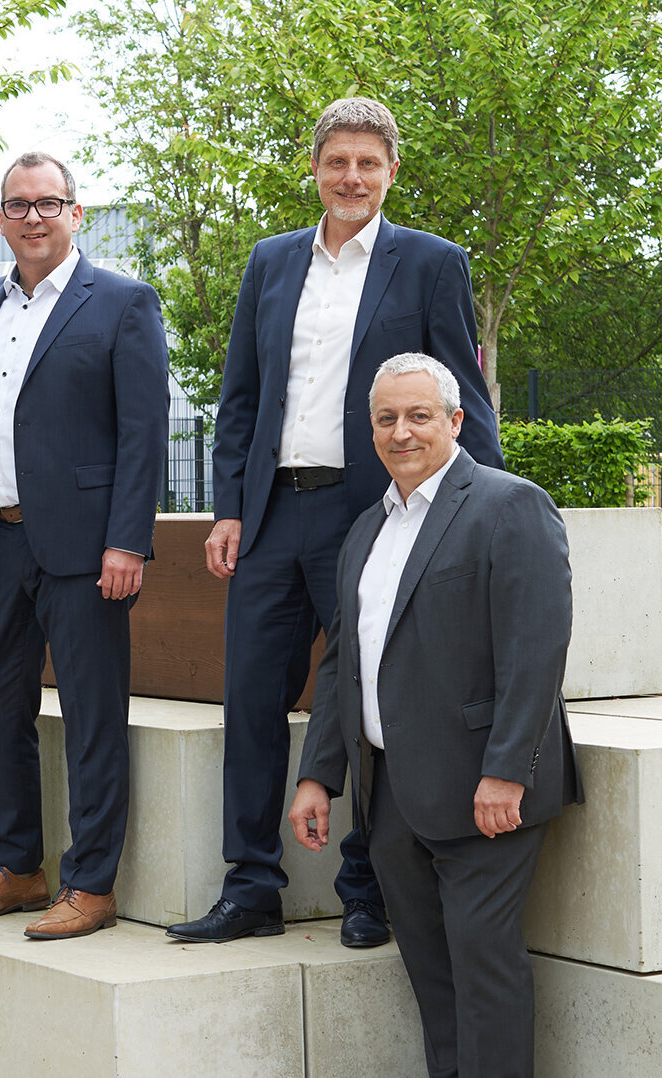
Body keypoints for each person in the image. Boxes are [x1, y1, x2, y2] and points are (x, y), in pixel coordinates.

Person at [174, 97, 504, 946]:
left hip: (374, 517)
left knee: (366, 699)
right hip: (271, 516)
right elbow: (240, 398)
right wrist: (229, 508)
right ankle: (250, 887)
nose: (350, 177)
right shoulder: (270, 261)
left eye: (367, 163)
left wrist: (485, 511)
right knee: (250, 701)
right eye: (336, 162)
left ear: (391, 170)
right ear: (314, 168)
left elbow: (461, 399)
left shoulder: (430, 263)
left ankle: (367, 888)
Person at [288, 354, 579, 1078]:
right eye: (386, 419)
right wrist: (318, 775)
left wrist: (507, 771)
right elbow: (341, 662)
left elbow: (536, 649)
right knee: (431, 975)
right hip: (389, 798)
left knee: (484, 973)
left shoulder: (510, 505)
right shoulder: (366, 529)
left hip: (483, 792)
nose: (402, 432)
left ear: (455, 421)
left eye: (418, 416)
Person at [0, 152, 169, 940]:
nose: (32, 217)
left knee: (92, 715)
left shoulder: (122, 301)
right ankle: (18, 868)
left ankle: (89, 884)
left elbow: (143, 431)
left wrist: (127, 540)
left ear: (75, 213)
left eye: (47, 203)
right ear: (0, 218)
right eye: (17, 205)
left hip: (87, 551)